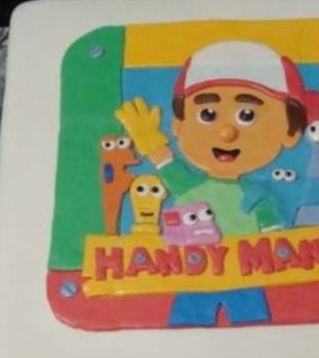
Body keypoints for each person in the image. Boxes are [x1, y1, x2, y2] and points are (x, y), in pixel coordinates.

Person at [115, 40, 307, 325]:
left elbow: (274, 241)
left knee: (254, 323)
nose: (226, 132)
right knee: (186, 321)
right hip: (189, 276)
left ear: (290, 133)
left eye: (247, 115)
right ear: (178, 125)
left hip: (247, 278)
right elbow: (166, 163)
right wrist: (149, 140)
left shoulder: (259, 197)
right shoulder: (189, 187)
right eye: (207, 114)